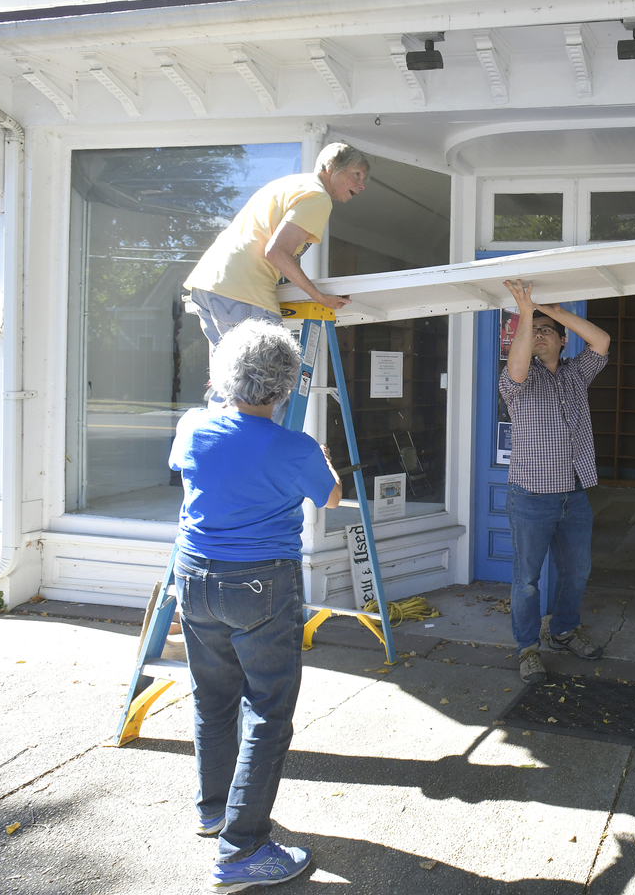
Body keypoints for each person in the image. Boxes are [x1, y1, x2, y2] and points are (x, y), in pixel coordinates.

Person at [168, 319, 342, 892]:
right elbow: (330, 494)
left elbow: (186, 468)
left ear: (224, 376)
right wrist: (318, 458)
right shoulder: (294, 447)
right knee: (268, 708)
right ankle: (241, 850)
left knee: (212, 697)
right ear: (285, 386)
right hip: (262, 583)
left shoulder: (193, 426)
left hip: (194, 577)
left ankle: (214, 811)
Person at [184, 142, 368, 405]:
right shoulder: (318, 197)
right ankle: (266, 447)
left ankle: (220, 444)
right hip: (243, 290)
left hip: (209, 285)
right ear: (330, 167)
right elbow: (277, 252)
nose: (362, 185)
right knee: (267, 394)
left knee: (229, 389)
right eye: (357, 174)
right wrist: (319, 296)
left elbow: (283, 254)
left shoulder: (290, 184)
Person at [499, 278, 612, 684]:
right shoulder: (517, 380)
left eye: (549, 332)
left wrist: (556, 311)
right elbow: (516, 363)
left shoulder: (577, 374)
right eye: (535, 331)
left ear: (564, 341)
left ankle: (564, 630)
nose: (541, 336)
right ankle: (528, 648)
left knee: (577, 570)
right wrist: (527, 314)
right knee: (527, 581)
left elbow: (601, 341)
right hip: (530, 496)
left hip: (574, 495)